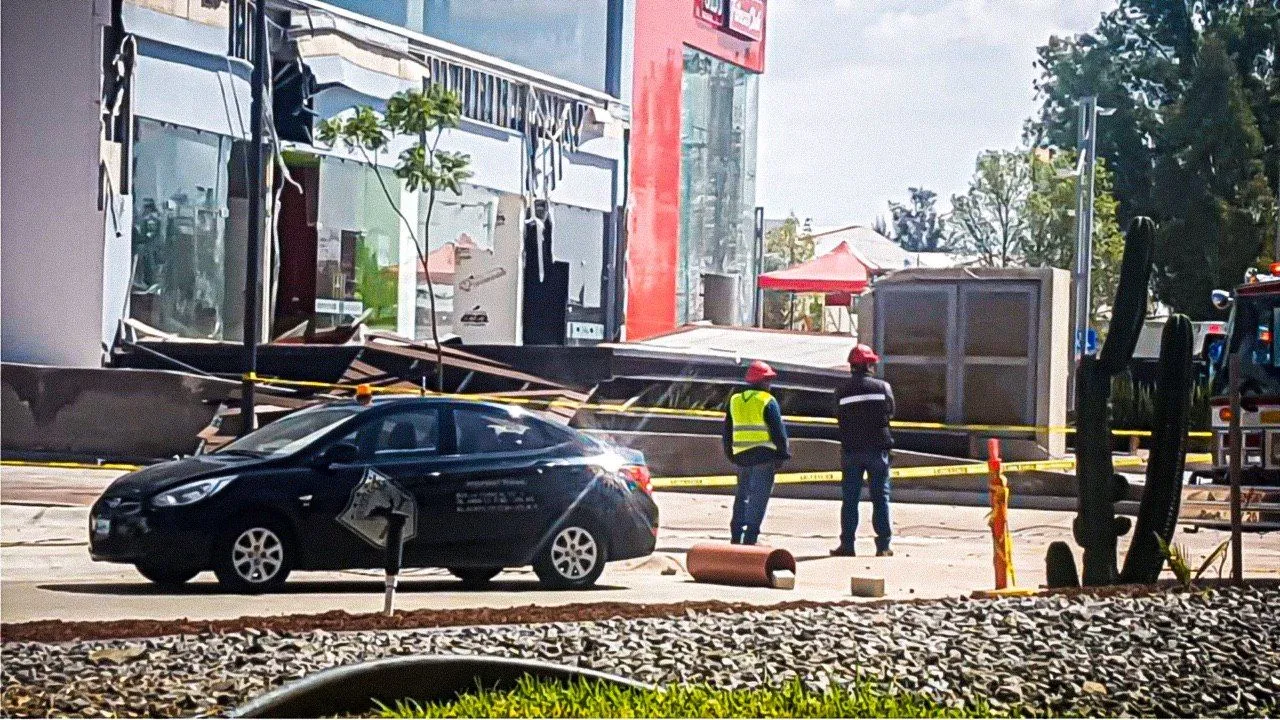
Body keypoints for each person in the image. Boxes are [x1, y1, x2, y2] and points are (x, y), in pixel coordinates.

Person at [830, 344, 895, 557]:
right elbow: (890, 412)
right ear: (868, 365)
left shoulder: (841, 391)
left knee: (850, 499)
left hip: (851, 450)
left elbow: (838, 415)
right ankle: (883, 546)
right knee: (880, 498)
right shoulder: (883, 387)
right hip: (877, 450)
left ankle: (847, 545)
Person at [722, 360, 790, 545]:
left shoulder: (735, 401)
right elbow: (778, 432)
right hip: (764, 457)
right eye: (767, 380)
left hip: (742, 457)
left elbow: (727, 431)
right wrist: (783, 455)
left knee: (742, 496)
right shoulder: (767, 401)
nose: (769, 384)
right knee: (758, 499)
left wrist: (730, 453)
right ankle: (750, 539)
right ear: (761, 381)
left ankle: (736, 536)